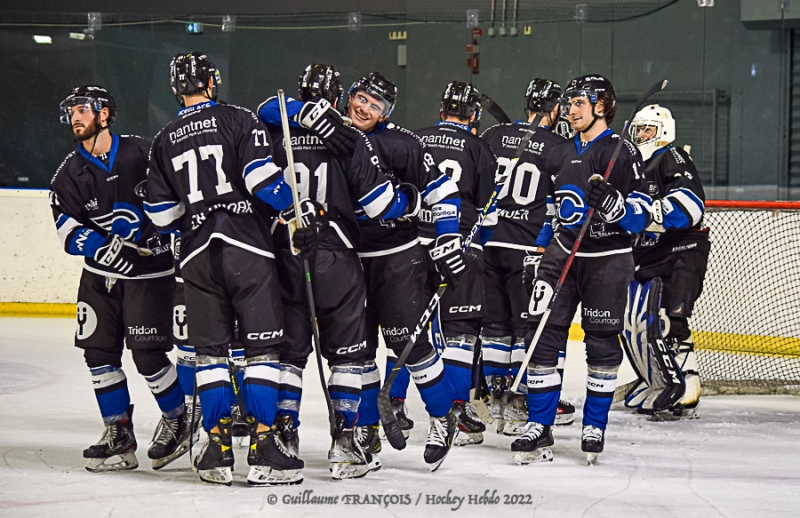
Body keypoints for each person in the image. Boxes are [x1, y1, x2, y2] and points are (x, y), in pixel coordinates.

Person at [146, 52, 301, 486]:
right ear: (211, 82)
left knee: (210, 355)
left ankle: (215, 449)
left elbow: (161, 214)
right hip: (245, 248)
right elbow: (260, 180)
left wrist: (197, 215)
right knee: (262, 352)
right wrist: (297, 209)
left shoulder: (165, 138)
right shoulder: (239, 118)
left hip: (196, 256)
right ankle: (265, 447)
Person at [256, 63, 417, 479]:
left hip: (284, 248)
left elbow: (263, 121)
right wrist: (412, 203)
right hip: (336, 255)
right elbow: (381, 205)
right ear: (337, 98)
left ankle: (284, 436)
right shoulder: (351, 138)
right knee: (347, 354)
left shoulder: (274, 132)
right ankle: (345, 444)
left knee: (289, 355)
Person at [513, 74, 652, 465]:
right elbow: (552, 212)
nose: (570, 109)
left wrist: (617, 208)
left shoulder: (622, 153)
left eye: (579, 102)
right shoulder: (557, 152)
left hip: (607, 259)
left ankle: (595, 425)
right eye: (569, 103)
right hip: (560, 257)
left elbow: (640, 215)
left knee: (602, 344)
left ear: (601, 106)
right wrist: (537, 252)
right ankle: (539, 425)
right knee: (542, 338)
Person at [50, 84, 188, 473]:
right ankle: (119, 433)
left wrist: (158, 233)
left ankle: (179, 419)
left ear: (104, 113)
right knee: (98, 356)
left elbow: (175, 198)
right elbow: (66, 226)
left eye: (82, 109)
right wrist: (102, 247)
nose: (75, 117)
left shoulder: (142, 152)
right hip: (99, 278)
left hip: (152, 273)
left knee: (147, 355)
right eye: (71, 111)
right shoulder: (68, 173)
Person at [347, 72, 464, 472]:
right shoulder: (331, 138)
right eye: (361, 98)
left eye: (374, 106)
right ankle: (365, 427)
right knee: (356, 351)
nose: (364, 108)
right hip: (347, 260)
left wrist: (447, 238)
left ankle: (442, 415)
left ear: (385, 114)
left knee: (409, 346)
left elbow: (443, 192)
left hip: (397, 259)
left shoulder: (402, 143)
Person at [479, 79, 575, 436]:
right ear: (555, 109)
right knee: (525, 330)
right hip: (528, 248)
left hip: (489, 244)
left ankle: (497, 399)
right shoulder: (560, 146)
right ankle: (521, 401)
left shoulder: (494, 134)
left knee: (495, 328)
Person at [412, 81, 497, 446]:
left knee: (405, 329)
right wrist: (477, 247)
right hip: (459, 242)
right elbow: (489, 215)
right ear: (474, 115)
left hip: (412, 244)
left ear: (441, 108)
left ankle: (395, 407)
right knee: (461, 331)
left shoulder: (413, 138)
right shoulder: (480, 148)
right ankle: (458, 411)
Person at [623, 104, 708, 416]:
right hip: (650, 252)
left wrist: (654, 211)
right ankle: (655, 378)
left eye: (649, 129)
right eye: (639, 129)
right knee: (636, 320)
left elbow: (691, 204)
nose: (642, 135)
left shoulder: (672, 157)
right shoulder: (634, 166)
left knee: (670, 320)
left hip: (683, 249)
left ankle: (688, 382)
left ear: (664, 132)